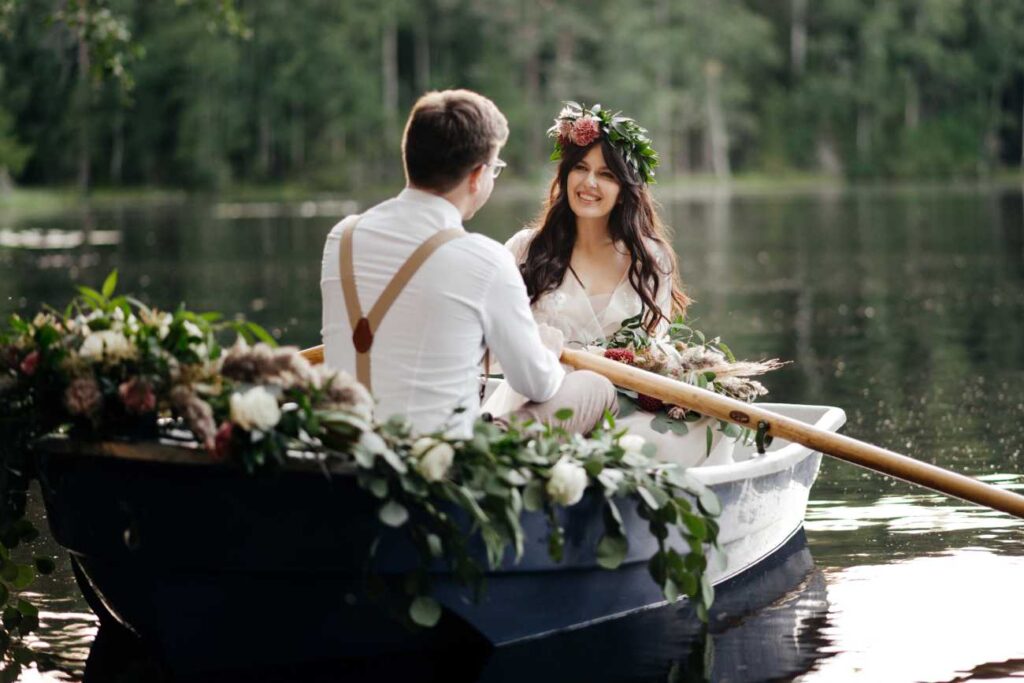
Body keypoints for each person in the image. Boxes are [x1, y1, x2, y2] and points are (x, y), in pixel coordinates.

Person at [320, 90, 617, 439]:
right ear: (477, 176)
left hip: (347, 448)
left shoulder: (342, 237)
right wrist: (547, 351)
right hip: (440, 463)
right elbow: (538, 385)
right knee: (594, 387)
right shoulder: (485, 260)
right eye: (496, 168)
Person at [484, 102, 732, 466]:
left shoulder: (650, 259)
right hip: (541, 399)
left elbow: (654, 350)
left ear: (625, 188)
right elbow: (498, 346)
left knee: (708, 433)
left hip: (624, 405)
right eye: (581, 169)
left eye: (606, 175)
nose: (589, 183)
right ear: (565, 175)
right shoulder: (524, 250)